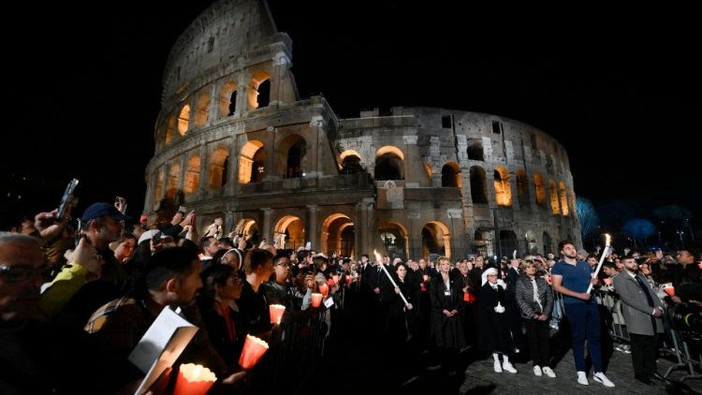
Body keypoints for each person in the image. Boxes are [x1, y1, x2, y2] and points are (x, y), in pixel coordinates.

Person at [551, 240, 615, 387]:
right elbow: (556, 286)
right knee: (578, 338)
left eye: (573, 248)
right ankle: (581, 371)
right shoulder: (559, 267)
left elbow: (596, 283)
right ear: (562, 251)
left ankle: (598, 372)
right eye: (568, 248)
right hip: (574, 306)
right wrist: (578, 295)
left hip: (591, 304)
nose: (572, 250)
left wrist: (596, 282)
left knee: (595, 338)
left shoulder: (584, 264)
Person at [612, 256, 667, 386]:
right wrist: (651, 310)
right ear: (623, 265)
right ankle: (641, 373)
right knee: (639, 347)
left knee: (651, 346)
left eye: (634, 261)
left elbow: (652, 293)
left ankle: (652, 370)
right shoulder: (620, 279)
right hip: (638, 317)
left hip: (651, 317)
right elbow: (629, 299)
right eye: (629, 262)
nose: (634, 264)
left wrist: (658, 306)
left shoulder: (640, 277)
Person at [515, 260, 556, 378]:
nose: (532, 269)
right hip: (530, 316)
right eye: (528, 267)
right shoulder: (520, 282)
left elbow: (549, 297)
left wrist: (546, 313)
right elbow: (520, 299)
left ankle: (546, 365)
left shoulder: (542, 280)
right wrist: (532, 314)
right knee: (533, 340)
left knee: (545, 340)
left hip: (544, 315)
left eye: (533, 266)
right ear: (524, 269)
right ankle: (536, 363)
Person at [429, 256, 465, 376]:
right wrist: (443, 310)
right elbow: (433, 298)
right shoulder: (434, 280)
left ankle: (456, 364)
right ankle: (445, 365)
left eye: (447, 264)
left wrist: (456, 309)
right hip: (441, 316)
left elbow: (460, 296)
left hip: (454, 314)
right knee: (443, 341)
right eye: (443, 264)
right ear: (439, 266)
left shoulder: (456, 279)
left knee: (454, 340)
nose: (446, 266)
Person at [478, 267, 516, 374]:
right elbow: (482, 306)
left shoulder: (500, 287)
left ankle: (506, 362)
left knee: (505, 339)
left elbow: (508, 300)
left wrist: (505, 289)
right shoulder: (483, 289)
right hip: (491, 319)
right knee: (494, 340)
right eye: (492, 276)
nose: (495, 277)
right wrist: (494, 308)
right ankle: (496, 361)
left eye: (496, 275)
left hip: (503, 318)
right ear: (487, 277)